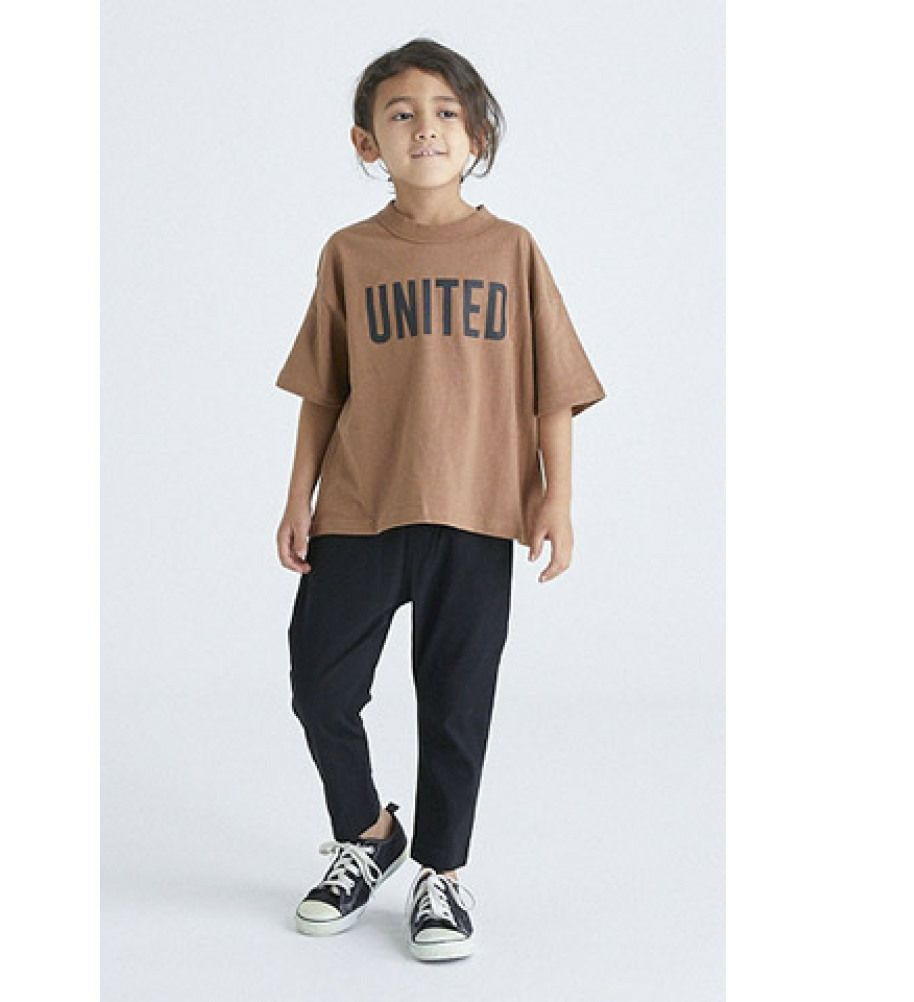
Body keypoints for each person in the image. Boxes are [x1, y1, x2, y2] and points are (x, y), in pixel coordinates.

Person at [274, 37, 606, 962]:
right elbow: (322, 390)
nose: (425, 127)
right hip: (360, 507)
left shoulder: (512, 250)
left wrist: (558, 500)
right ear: (366, 142)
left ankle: (442, 874)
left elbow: (551, 389)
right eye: (401, 114)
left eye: (446, 112)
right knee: (320, 685)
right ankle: (370, 835)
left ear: (478, 135)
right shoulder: (350, 253)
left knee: (457, 703)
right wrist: (297, 497)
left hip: (476, 510)